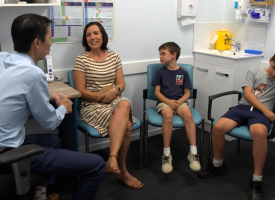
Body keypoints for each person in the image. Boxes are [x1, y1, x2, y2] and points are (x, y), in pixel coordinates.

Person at [0, 14, 106, 200]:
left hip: (6, 142)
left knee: (53, 141)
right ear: (37, 43)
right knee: (97, 164)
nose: (51, 43)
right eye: (49, 37)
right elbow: (49, 122)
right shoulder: (33, 73)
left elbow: (15, 91)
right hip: (9, 154)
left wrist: (47, 94)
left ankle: (40, 194)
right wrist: (63, 106)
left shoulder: (3, 60)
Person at [73, 22, 143, 189]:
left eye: (95, 33)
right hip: (92, 106)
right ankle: (123, 171)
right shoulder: (81, 59)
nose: (92, 37)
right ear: (85, 39)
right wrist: (102, 96)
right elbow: (80, 91)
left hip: (115, 102)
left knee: (124, 103)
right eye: (88, 35)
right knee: (126, 125)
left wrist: (115, 91)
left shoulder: (114, 56)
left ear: (102, 35)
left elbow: (121, 84)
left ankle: (112, 158)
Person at [198, 55, 275, 200]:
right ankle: (218, 165)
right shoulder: (255, 71)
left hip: (260, 115)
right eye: (274, 67)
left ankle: (257, 180)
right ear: (270, 60)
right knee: (218, 126)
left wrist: (266, 112)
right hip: (243, 107)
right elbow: (247, 94)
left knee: (259, 132)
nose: (274, 73)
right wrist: (266, 110)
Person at [151, 42, 201, 173]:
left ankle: (193, 153)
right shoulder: (160, 72)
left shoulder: (183, 73)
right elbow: (157, 93)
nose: (160, 56)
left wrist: (178, 102)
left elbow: (187, 93)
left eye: (163, 53)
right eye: (160, 54)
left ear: (173, 55)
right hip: (164, 102)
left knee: (188, 115)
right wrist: (168, 102)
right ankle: (166, 154)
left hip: (179, 102)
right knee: (168, 115)